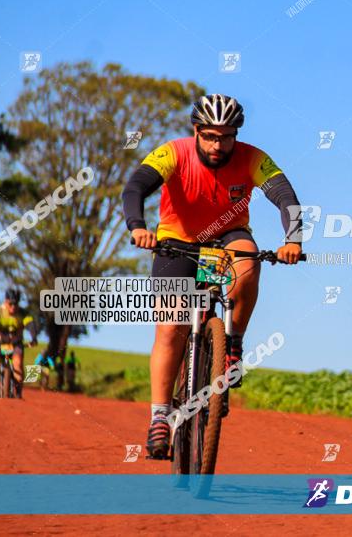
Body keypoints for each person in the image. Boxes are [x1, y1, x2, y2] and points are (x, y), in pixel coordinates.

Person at [122, 94, 304, 459]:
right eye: (209, 136)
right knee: (171, 325)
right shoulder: (172, 152)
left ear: (236, 134)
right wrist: (139, 227)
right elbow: (135, 187)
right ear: (196, 131)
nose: (218, 145)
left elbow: (285, 197)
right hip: (177, 240)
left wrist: (293, 239)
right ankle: (159, 415)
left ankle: (232, 345)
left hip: (226, 239)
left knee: (249, 259)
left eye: (225, 136)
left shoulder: (253, 158)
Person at [0, 289, 38, 398]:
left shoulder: (24, 314)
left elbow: (30, 325)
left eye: (16, 304)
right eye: (10, 304)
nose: (13, 307)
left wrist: (33, 338)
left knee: (18, 365)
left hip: (16, 343)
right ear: (5, 302)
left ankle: (18, 392)